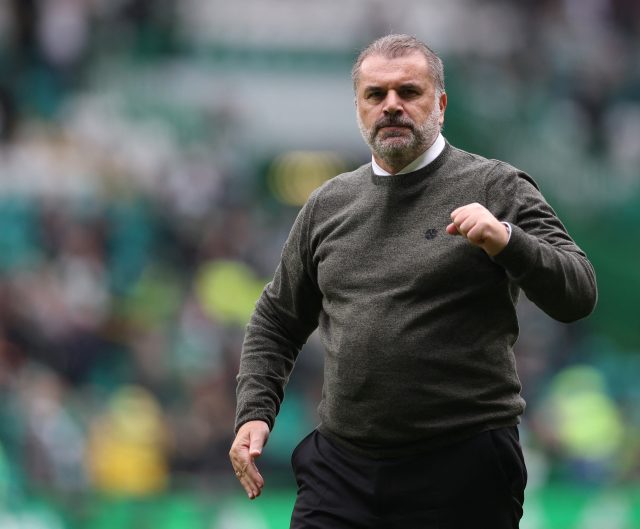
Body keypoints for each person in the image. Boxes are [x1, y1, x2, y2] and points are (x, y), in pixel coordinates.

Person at [229, 33, 597, 529]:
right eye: (375, 94)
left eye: (408, 92)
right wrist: (255, 411)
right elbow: (276, 319)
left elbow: (579, 292)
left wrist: (508, 240)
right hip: (343, 467)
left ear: (440, 105)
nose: (391, 106)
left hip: (462, 466)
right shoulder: (327, 205)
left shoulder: (496, 186)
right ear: (358, 109)